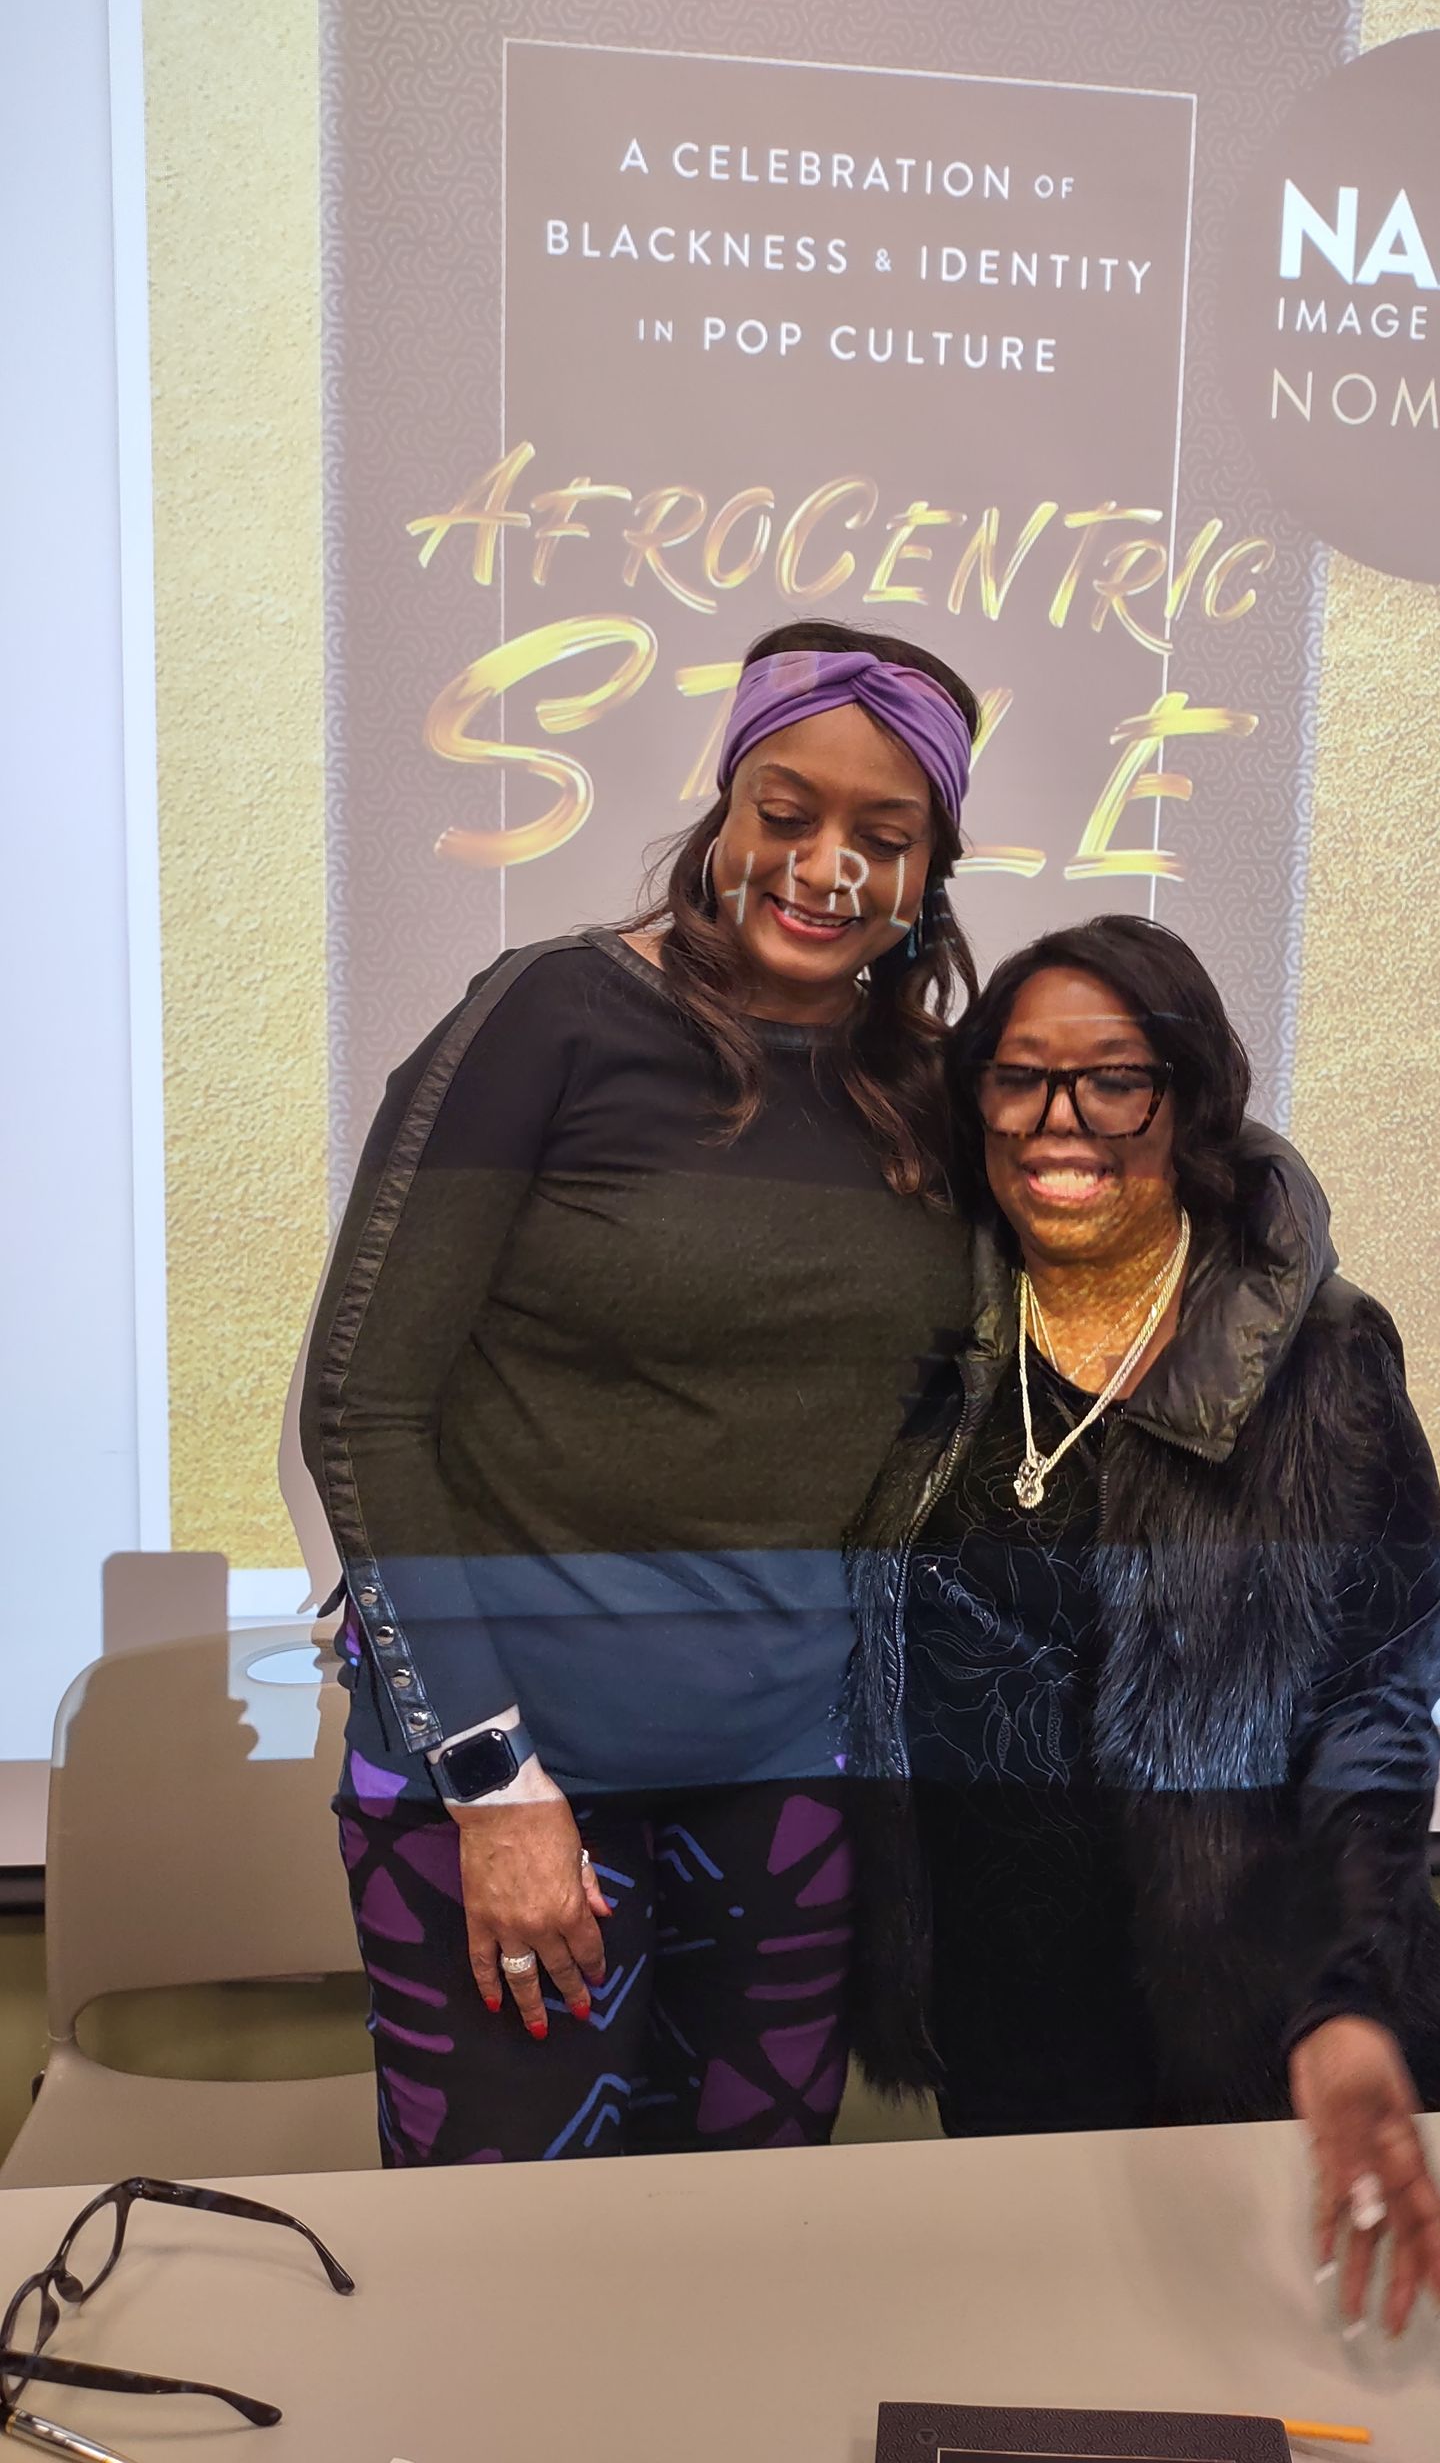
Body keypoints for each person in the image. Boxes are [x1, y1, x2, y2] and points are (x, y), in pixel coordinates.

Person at [300, 619, 979, 2165]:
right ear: (722, 814)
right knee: (516, 2291)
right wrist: (490, 1779)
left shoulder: (936, 1093)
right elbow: (361, 1405)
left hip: (789, 1784)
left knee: (743, 2259)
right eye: (784, 813)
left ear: (932, 868)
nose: (823, 867)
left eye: (884, 835)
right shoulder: (549, 1016)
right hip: (511, 1785)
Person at [844, 915, 1440, 2335]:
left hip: (1251, 2013)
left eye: (1112, 1079)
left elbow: (1375, 1701)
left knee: (1240, 2389)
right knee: (1040, 2367)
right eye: (1018, 1077)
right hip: (998, 2011)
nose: (1060, 1121)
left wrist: (1352, 1999)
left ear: (1185, 1100)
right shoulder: (932, 1336)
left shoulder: (1324, 1360)